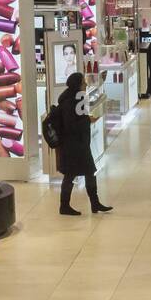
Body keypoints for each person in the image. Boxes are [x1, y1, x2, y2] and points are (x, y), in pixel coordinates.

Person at [55, 72, 111, 216]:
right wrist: (87, 120)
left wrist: (86, 119)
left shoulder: (74, 98)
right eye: (83, 83)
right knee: (71, 174)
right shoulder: (69, 101)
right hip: (73, 145)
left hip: (78, 144)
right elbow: (71, 125)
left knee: (88, 172)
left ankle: (94, 203)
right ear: (77, 84)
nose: (85, 85)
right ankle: (65, 206)